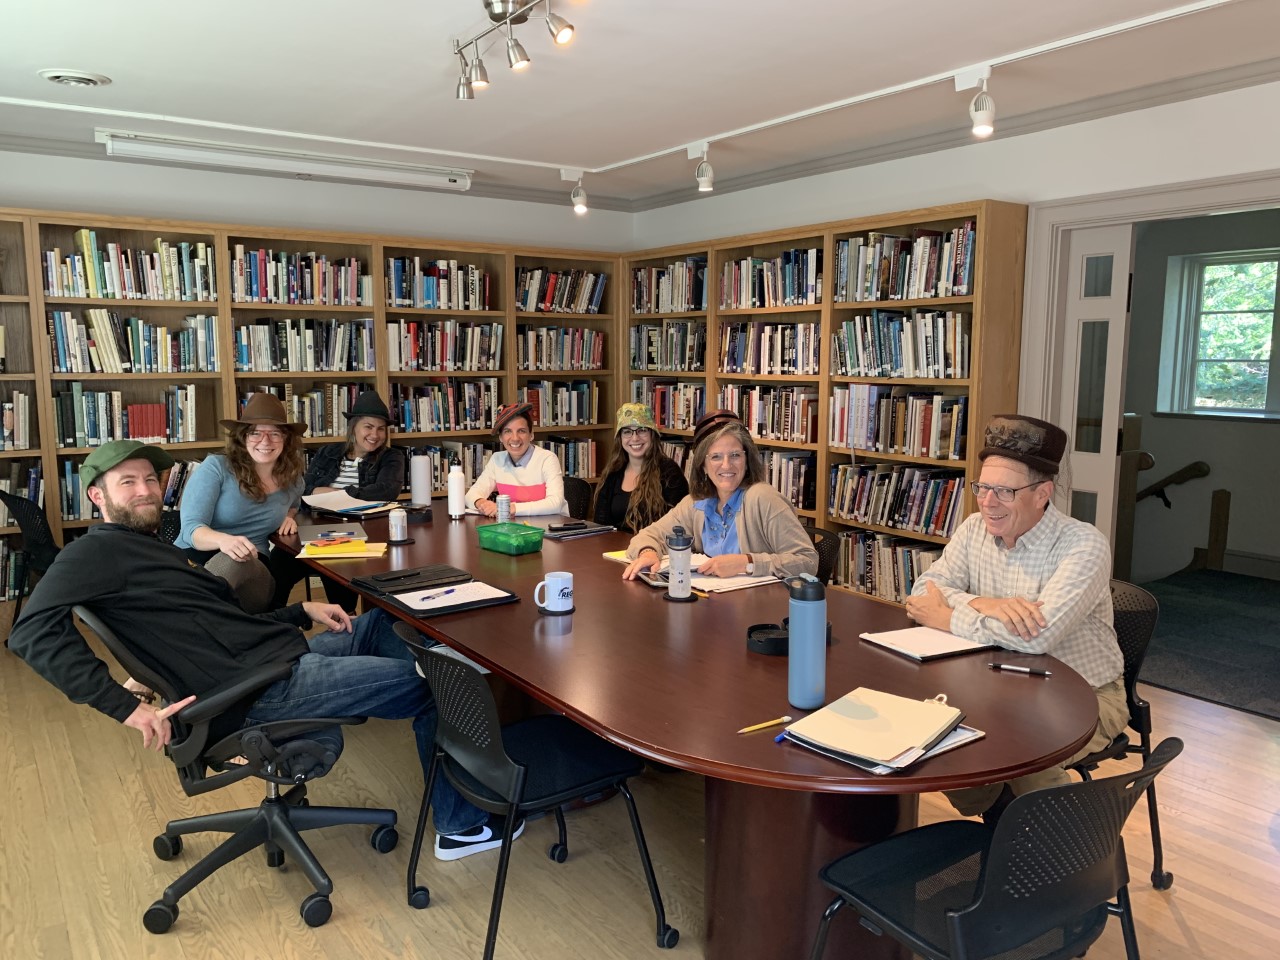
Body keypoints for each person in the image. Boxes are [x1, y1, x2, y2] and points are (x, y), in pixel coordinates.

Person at [8, 439, 522, 862]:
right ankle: (461, 826)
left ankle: (447, 694)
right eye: (128, 482)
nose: (146, 491)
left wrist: (301, 613)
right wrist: (125, 707)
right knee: (442, 686)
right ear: (97, 496)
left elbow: (227, 627)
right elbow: (33, 633)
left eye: (150, 479)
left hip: (276, 657)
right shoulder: (92, 552)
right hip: (262, 691)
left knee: (387, 617)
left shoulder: (147, 549)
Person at [903, 413, 1126, 821]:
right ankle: (1002, 832)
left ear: (1042, 493)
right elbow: (922, 593)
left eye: (1004, 491)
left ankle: (1056, 864)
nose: (988, 502)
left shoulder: (1083, 545)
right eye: (982, 487)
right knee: (940, 745)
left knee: (1029, 755)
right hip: (994, 684)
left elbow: (1035, 640)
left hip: (1083, 693)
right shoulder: (974, 528)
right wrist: (986, 603)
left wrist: (949, 616)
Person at [623, 410, 817, 580]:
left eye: (735, 455)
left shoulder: (763, 498)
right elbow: (649, 535)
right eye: (715, 457)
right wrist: (648, 553)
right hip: (713, 603)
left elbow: (807, 561)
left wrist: (746, 563)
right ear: (703, 466)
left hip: (760, 608)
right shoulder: (697, 502)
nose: (726, 465)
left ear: (747, 460)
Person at [275, 391, 405, 611]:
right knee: (280, 559)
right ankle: (271, 619)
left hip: (366, 531)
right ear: (353, 427)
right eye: (368, 426)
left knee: (337, 559)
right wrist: (344, 494)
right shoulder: (328, 452)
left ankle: (346, 615)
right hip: (318, 526)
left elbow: (385, 491)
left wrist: (333, 494)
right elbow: (303, 489)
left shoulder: (392, 457)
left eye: (381, 428)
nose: (375, 434)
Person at [175, 393, 306, 609]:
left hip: (253, 568)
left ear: (286, 439)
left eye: (275, 433)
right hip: (194, 560)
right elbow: (190, 530)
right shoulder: (216, 468)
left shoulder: (293, 481)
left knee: (233, 560)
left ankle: (190, 617)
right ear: (243, 438)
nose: (265, 441)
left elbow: (294, 505)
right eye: (255, 433)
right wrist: (223, 541)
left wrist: (290, 517)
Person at [591, 402, 688, 533]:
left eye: (642, 430)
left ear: (652, 434)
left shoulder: (669, 472)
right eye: (627, 432)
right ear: (620, 438)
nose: (635, 438)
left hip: (655, 548)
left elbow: (678, 524)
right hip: (615, 550)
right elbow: (601, 526)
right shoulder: (613, 472)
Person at [464, 402, 568, 517]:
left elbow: (555, 503)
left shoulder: (547, 459)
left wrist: (510, 508)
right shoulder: (497, 459)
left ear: (531, 434)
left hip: (551, 528)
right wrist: (482, 503)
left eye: (521, 431)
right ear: (500, 437)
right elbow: (471, 494)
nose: (515, 438)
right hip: (517, 528)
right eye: (507, 431)